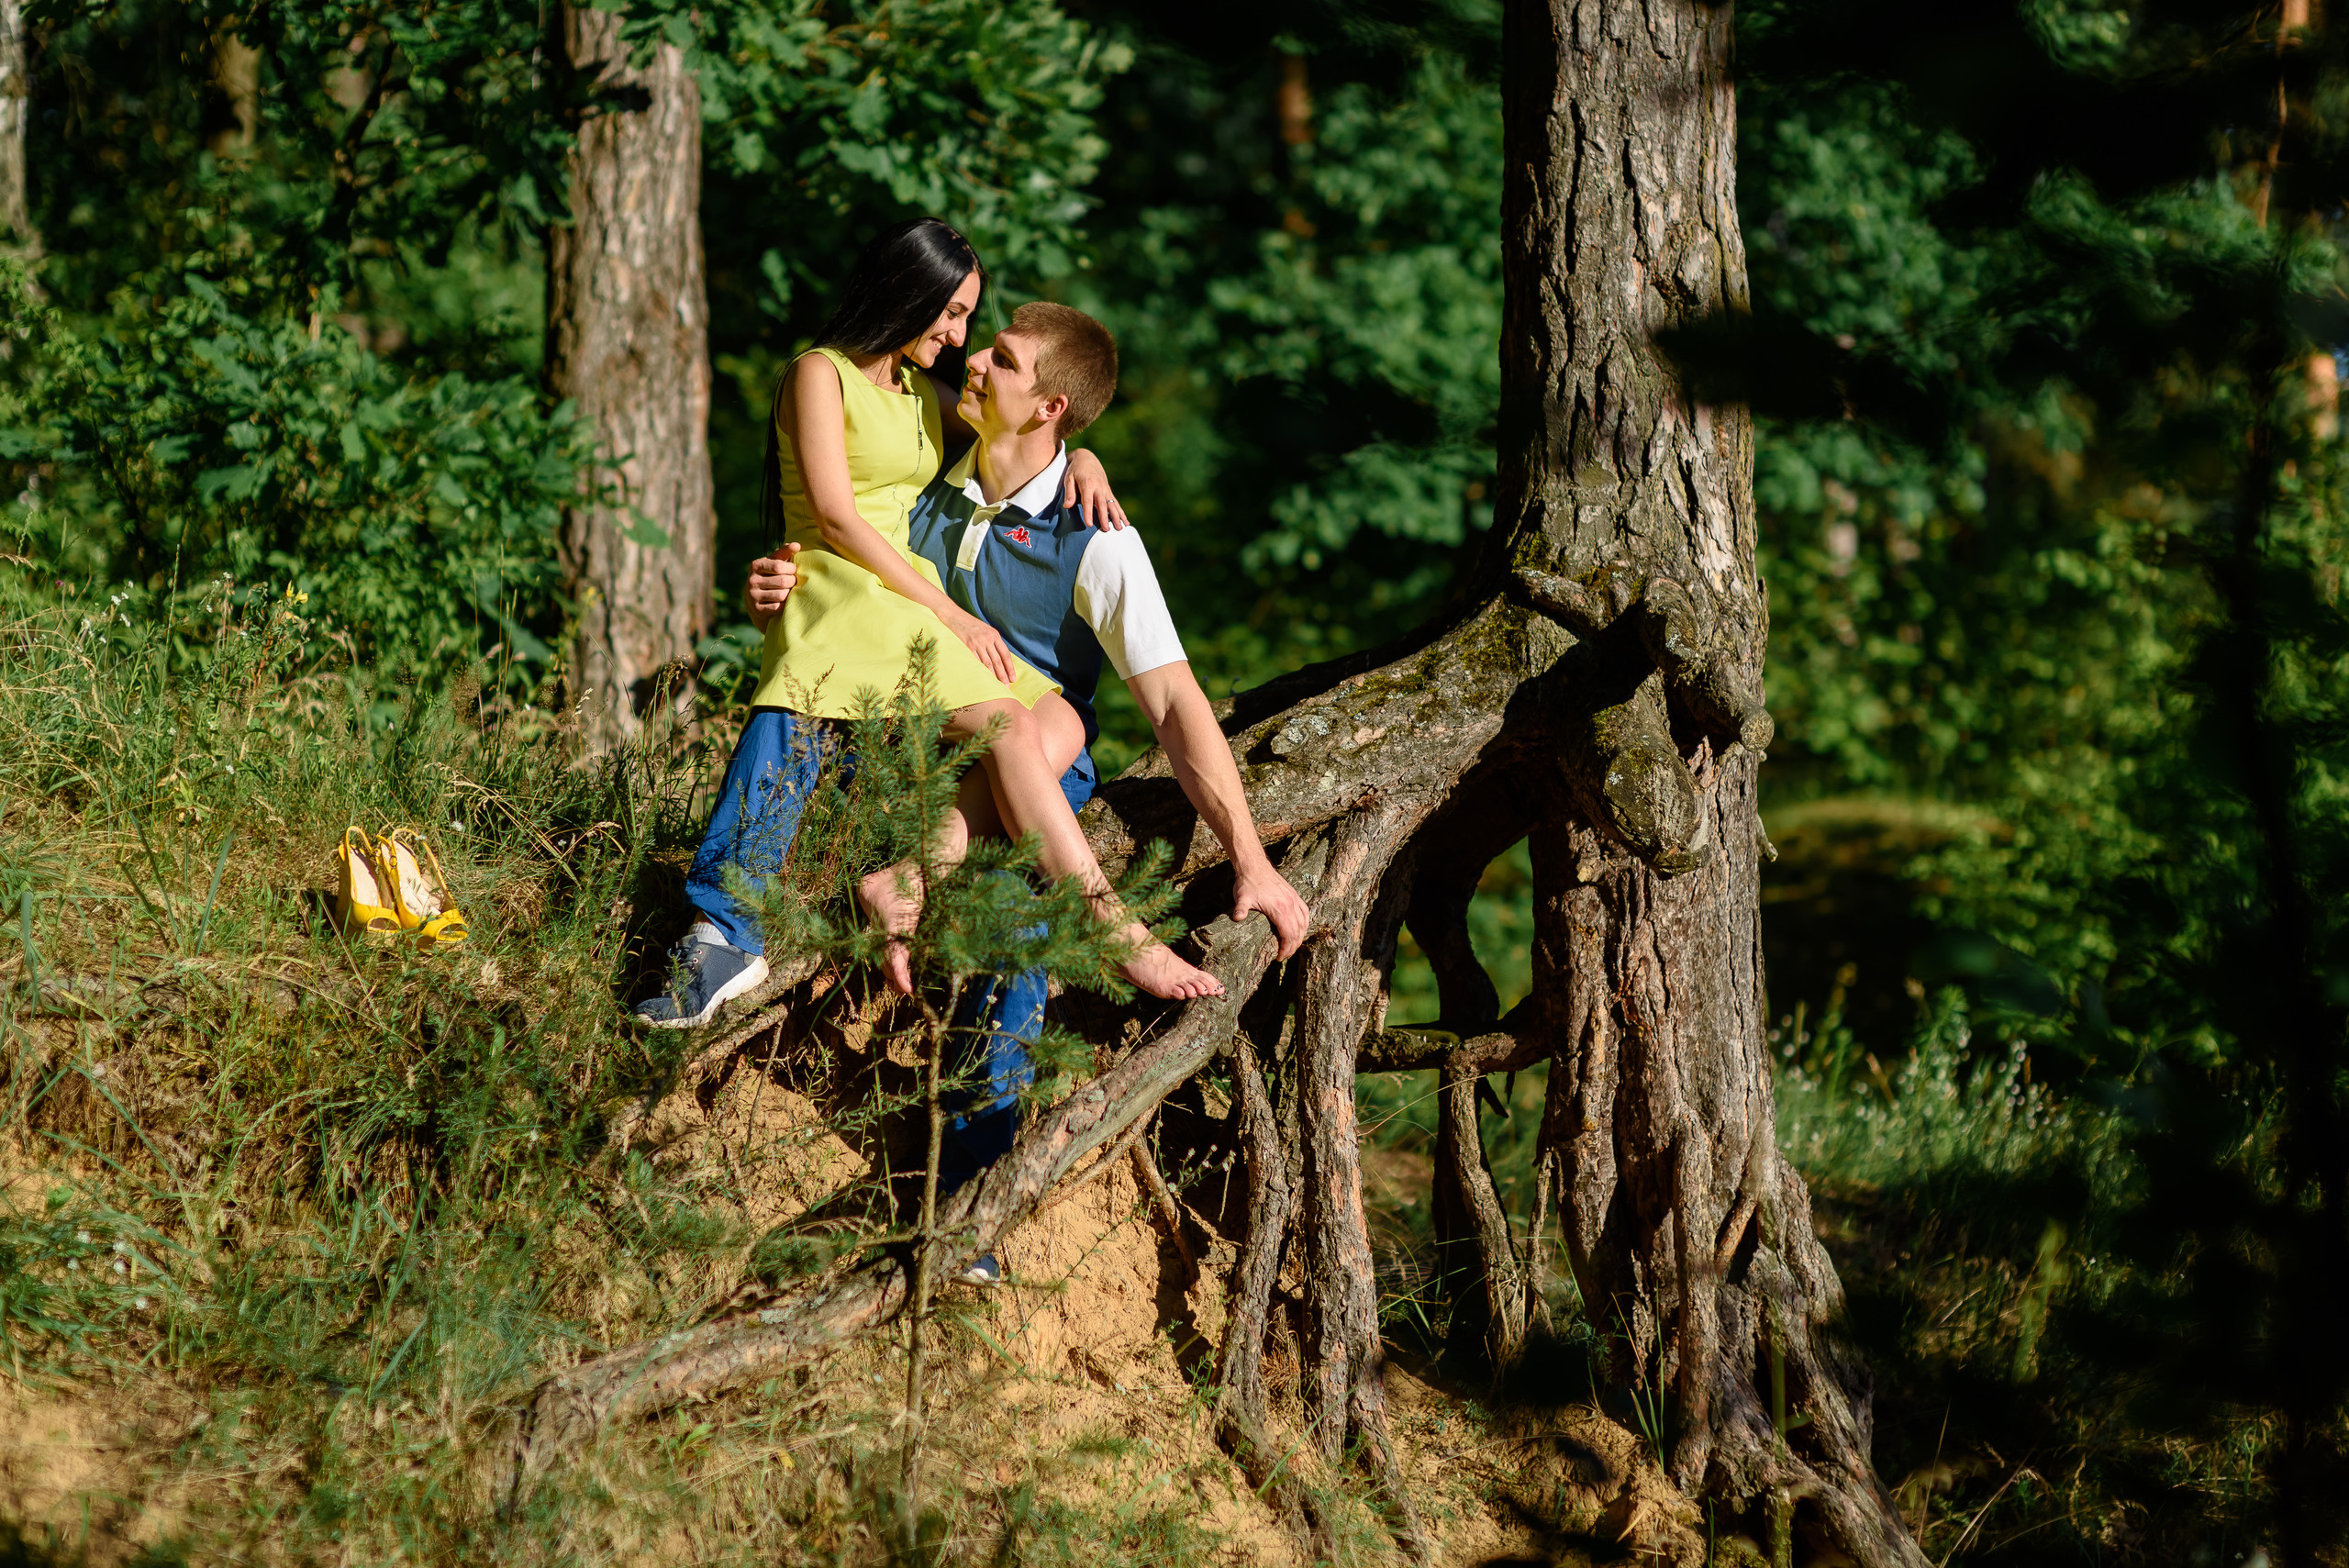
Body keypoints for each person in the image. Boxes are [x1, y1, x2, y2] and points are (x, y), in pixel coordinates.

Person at [640, 301, 1309, 1277]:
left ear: (1050, 405)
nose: (974, 363)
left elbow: (1173, 704)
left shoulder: (1097, 534)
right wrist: (776, 582)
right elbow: (831, 537)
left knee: (1020, 873)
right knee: (1011, 722)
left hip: (1020, 779)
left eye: (1002, 357)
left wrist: (1251, 857)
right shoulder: (925, 485)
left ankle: (966, 1207)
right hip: (897, 746)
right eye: (981, 345)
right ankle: (792, 912)